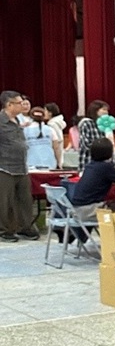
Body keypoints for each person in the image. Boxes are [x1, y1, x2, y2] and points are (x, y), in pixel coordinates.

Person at [0, 89, 37, 242]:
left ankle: (25, 227)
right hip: (4, 167)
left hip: (22, 167)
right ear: (9, 104)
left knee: (25, 200)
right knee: (4, 201)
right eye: (19, 103)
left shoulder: (18, 121)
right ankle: (5, 231)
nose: (23, 105)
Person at [68, 138, 115, 210]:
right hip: (88, 208)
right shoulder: (106, 166)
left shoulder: (91, 165)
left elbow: (114, 177)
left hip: (77, 207)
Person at [23, 107, 60, 171]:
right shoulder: (50, 130)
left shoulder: (24, 131)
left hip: (31, 164)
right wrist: (59, 162)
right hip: (49, 163)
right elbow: (56, 148)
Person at [77, 100, 110, 170]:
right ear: (95, 110)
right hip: (88, 162)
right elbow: (85, 144)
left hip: (102, 164)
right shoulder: (86, 123)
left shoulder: (103, 125)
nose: (106, 112)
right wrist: (102, 148)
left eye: (107, 110)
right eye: (104, 109)